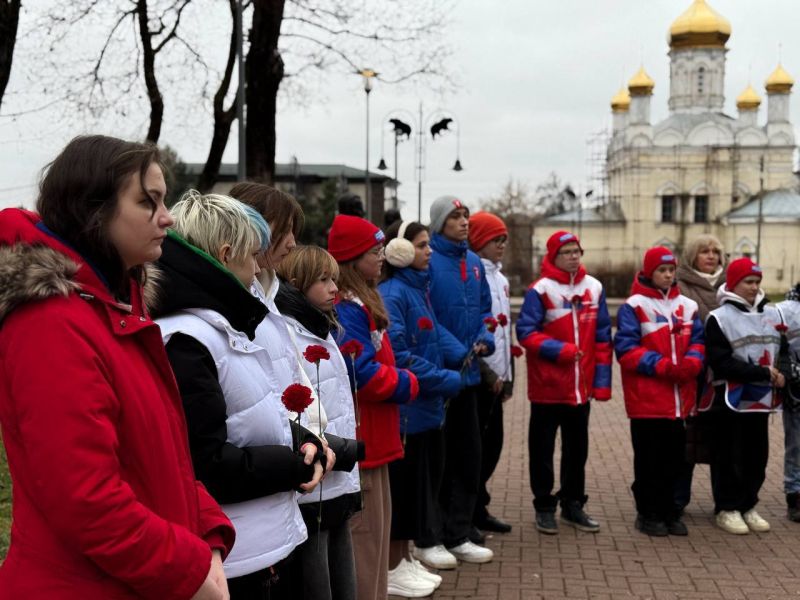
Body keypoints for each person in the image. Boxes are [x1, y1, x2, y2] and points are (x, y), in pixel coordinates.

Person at [0, 135, 234, 599]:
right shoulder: (50, 324)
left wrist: (207, 534)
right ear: (93, 210)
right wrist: (188, 572)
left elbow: (158, 456)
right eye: (148, 202)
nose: (167, 218)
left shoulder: (115, 310)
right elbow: (86, 500)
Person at [152, 191, 327, 599]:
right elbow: (203, 462)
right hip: (236, 557)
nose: (257, 268)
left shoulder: (220, 328)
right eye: (252, 255)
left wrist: (302, 440)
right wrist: (292, 466)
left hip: (259, 543)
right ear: (227, 254)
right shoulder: (188, 340)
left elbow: (249, 416)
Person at [328, 214, 419, 600]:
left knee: (376, 540)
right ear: (352, 258)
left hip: (377, 439)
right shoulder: (349, 308)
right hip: (365, 440)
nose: (382, 257)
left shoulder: (362, 301)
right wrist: (406, 383)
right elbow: (359, 372)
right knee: (365, 543)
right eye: (374, 251)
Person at [379, 220, 466, 595]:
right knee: (405, 492)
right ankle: (394, 564)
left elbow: (431, 332)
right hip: (409, 413)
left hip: (426, 408)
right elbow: (400, 356)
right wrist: (445, 379)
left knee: (421, 488)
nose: (429, 250)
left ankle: (405, 557)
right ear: (399, 251)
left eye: (429, 244)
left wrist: (460, 352)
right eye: (421, 244)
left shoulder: (417, 288)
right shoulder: (393, 293)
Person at [275, 245, 364, 600]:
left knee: (341, 576)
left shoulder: (321, 329)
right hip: (318, 480)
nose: (334, 289)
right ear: (298, 282)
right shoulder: (289, 333)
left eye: (335, 279)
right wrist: (336, 451)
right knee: (317, 581)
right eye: (324, 280)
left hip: (338, 476)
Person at [516, 230, 612, 535]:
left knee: (577, 450)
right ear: (553, 256)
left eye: (576, 251)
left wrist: (602, 383)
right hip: (547, 387)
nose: (573, 256)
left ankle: (573, 504)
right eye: (566, 252)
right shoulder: (540, 290)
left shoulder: (594, 287)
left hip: (580, 389)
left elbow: (603, 337)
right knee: (542, 451)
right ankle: (544, 507)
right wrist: (560, 351)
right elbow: (526, 332)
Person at [614, 247, 705, 536]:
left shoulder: (688, 306)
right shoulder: (635, 306)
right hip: (648, 400)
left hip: (679, 400)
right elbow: (626, 349)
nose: (668, 275)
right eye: (661, 270)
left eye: (671, 270)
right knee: (649, 460)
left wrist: (693, 362)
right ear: (649, 272)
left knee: (675, 460)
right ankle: (648, 513)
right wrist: (663, 366)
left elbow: (698, 341)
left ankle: (670, 511)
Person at [426, 196, 495, 563]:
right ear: (440, 223)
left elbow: (484, 309)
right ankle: (435, 534)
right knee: (441, 460)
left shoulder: (475, 262)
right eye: (455, 216)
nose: (464, 221)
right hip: (440, 375)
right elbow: (426, 315)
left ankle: (459, 532)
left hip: (469, 376)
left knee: (470, 455)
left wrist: (485, 336)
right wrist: (455, 350)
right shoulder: (428, 261)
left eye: (465, 215)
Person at [704, 257, 784, 534]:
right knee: (728, 455)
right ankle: (727, 508)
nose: (753, 287)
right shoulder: (719, 318)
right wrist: (762, 372)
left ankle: (748, 504)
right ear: (733, 283)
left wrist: (784, 373)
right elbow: (720, 362)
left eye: (757, 282)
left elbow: (783, 351)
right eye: (748, 282)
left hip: (760, 400)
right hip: (729, 399)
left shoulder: (772, 315)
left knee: (756, 456)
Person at [468, 211, 514, 535]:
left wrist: (508, 377)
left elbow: (505, 333)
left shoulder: (502, 279)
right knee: (478, 447)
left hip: (500, 375)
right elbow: (476, 329)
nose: (501, 245)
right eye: (495, 239)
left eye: (504, 240)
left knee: (493, 444)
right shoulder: (474, 275)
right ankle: (468, 510)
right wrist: (488, 372)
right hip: (481, 375)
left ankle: (479, 505)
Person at [674, 234, 727, 513]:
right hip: (694, 372)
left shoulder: (731, 285)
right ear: (692, 255)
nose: (711, 256)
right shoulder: (680, 285)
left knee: (723, 439)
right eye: (704, 251)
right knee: (687, 438)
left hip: (725, 373)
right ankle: (678, 499)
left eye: (715, 252)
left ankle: (725, 502)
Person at [777, 283, 800, 522]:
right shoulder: (784, 310)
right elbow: (779, 349)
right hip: (797, 388)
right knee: (796, 444)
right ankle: (795, 494)